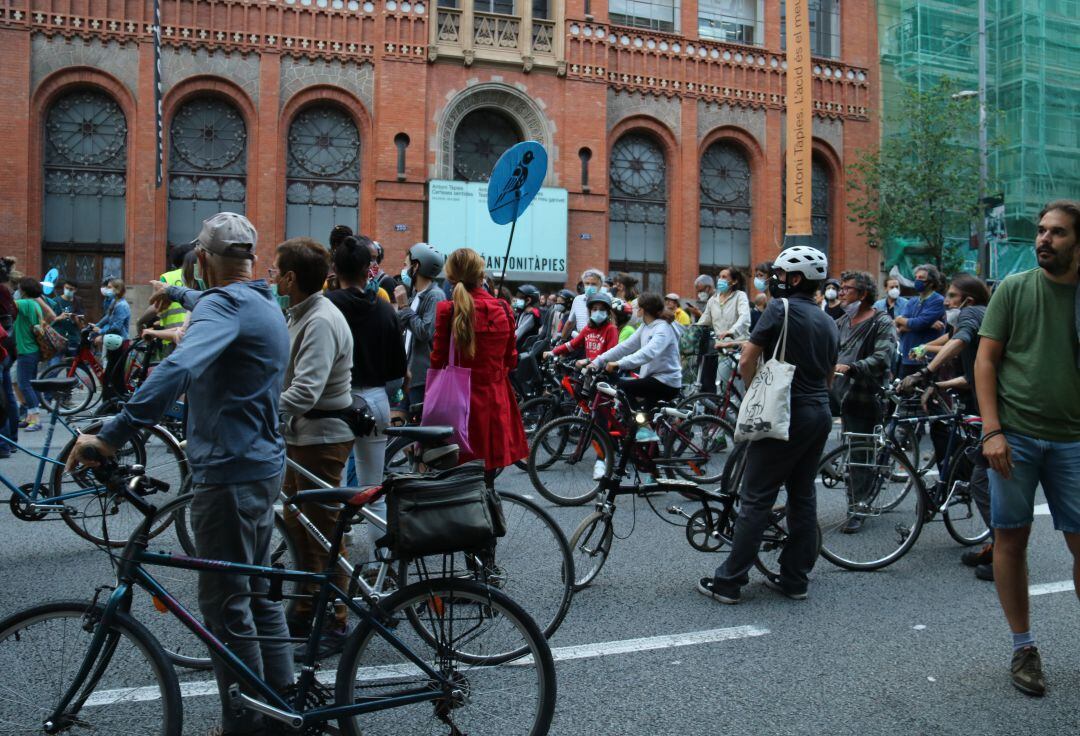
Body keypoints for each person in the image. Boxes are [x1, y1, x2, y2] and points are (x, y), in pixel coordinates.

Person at [66, 212, 294, 734]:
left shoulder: (222, 306)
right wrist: (179, 295)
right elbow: (213, 303)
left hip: (229, 472)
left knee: (226, 607)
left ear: (204, 259)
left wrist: (113, 434)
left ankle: (245, 725)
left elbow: (178, 366)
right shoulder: (262, 302)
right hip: (261, 466)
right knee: (258, 592)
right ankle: (281, 707)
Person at [973, 199, 1080, 698]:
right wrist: (992, 431)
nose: (1043, 239)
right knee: (1011, 540)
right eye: (1041, 230)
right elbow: (986, 361)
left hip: (1073, 439)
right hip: (1014, 435)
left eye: (1057, 232)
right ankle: (1023, 647)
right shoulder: (1015, 288)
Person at [698, 245, 838, 604]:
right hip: (819, 412)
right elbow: (830, 375)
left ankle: (729, 581)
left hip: (785, 411)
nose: (775, 280)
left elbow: (748, 358)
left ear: (796, 279)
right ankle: (795, 579)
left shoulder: (780, 307)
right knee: (802, 496)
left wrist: (753, 394)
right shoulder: (827, 319)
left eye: (780, 274)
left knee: (757, 497)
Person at [271, 237, 357, 657]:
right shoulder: (302, 313)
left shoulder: (320, 320)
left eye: (276, 271)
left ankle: (336, 621)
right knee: (299, 528)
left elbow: (306, 390)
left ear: (290, 278)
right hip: (302, 436)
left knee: (323, 533)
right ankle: (306, 609)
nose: (271, 277)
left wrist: (261, 407)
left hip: (321, 439)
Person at [900, 273, 993, 578]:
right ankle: (999, 546)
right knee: (983, 478)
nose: (947, 302)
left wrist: (926, 372)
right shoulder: (983, 316)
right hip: (987, 405)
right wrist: (938, 384)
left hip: (998, 411)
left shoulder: (971, 314)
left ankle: (1006, 552)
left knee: (982, 482)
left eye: (951, 296)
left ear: (967, 299)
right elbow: (970, 376)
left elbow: (958, 340)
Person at [325, 236, 406, 570]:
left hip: (336, 400)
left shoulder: (326, 306)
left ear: (335, 269)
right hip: (375, 399)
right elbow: (397, 369)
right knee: (374, 486)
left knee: (333, 484)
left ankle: (337, 554)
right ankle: (379, 564)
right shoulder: (385, 309)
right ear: (367, 270)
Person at [431, 248, 527, 483]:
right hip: (495, 402)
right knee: (486, 479)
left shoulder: (448, 310)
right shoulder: (503, 308)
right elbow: (511, 359)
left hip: (457, 404)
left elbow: (438, 361)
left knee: (456, 478)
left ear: (451, 277)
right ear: (481, 275)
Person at [832, 271, 897, 533]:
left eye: (847, 288)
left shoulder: (881, 322)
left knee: (860, 453)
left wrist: (852, 367)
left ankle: (857, 508)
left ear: (863, 294)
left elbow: (882, 358)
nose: (841, 292)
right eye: (841, 287)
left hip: (864, 395)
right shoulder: (840, 322)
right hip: (837, 393)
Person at [591, 292, 682, 442]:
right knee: (633, 427)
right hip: (653, 378)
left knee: (623, 388)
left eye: (637, 308)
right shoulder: (645, 327)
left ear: (643, 310)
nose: (634, 311)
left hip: (666, 382)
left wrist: (619, 363)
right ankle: (647, 442)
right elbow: (625, 347)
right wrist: (597, 361)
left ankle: (645, 429)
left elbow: (647, 353)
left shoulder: (663, 328)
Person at [395, 243, 446, 409]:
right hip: (407, 376)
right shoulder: (415, 294)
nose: (404, 269)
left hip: (421, 379)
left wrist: (404, 307)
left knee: (416, 422)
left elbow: (425, 332)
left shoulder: (435, 296)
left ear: (416, 266)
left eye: (406, 265)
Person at [895, 264, 945, 378]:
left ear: (931, 282)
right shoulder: (912, 301)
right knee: (903, 387)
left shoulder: (938, 300)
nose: (917, 280)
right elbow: (899, 326)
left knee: (923, 387)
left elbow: (918, 323)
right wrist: (928, 325)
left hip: (925, 358)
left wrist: (902, 320)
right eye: (916, 277)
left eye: (921, 278)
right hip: (908, 355)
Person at [13, 278, 48, 431]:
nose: (17, 291)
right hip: (32, 350)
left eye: (19, 288)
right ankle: (29, 417)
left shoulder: (25, 303)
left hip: (26, 350)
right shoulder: (34, 304)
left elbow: (7, 304)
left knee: (24, 385)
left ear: (24, 290)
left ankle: (36, 419)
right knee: (30, 384)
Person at [546, 291, 618, 362]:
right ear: (590, 312)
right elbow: (572, 344)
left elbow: (611, 355)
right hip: (588, 368)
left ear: (608, 312)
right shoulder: (588, 329)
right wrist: (553, 352)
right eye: (594, 309)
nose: (598, 312)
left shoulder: (611, 329)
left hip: (602, 368)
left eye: (602, 309)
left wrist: (587, 361)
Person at [697, 266, 751, 352]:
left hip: (739, 348)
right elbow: (704, 321)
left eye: (724, 277)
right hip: (721, 349)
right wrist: (691, 330)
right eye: (719, 277)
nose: (720, 280)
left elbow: (745, 318)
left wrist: (731, 331)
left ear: (734, 281)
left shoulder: (740, 296)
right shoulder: (713, 300)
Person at [0, 257, 17, 456]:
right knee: (7, 394)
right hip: (7, 347)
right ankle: (11, 441)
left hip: (2, 347)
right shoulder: (7, 291)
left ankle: (3, 444)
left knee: (3, 396)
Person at [563, 268, 605, 339]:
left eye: (593, 284)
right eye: (587, 283)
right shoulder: (578, 300)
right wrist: (562, 339)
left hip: (599, 340)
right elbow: (570, 322)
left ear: (600, 285)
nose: (590, 286)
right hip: (580, 340)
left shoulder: (606, 301)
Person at [50, 278, 84, 356]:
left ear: (75, 290)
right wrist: (58, 318)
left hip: (73, 338)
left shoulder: (78, 301)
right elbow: (47, 321)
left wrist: (76, 320)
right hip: (58, 337)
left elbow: (81, 325)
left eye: (71, 289)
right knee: (55, 361)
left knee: (72, 362)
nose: (68, 290)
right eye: (66, 288)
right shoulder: (55, 301)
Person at [513, 284, 543, 348]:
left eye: (519, 297)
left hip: (523, 350)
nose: (515, 300)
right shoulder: (522, 312)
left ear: (528, 300)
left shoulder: (531, 314)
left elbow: (517, 334)